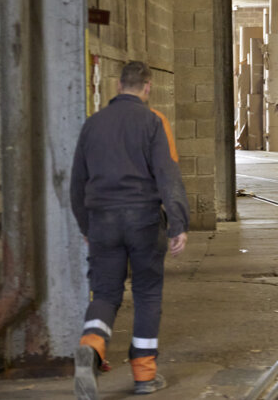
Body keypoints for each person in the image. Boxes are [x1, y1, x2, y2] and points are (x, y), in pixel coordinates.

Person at [70, 61, 190, 398]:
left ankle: (91, 347)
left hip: (102, 221)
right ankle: (144, 376)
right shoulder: (153, 122)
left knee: (106, 293)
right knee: (147, 293)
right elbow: (168, 175)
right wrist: (178, 223)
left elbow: (77, 184)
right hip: (143, 220)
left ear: (118, 85)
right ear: (148, 87)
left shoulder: (91, 126)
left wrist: (86, 226)